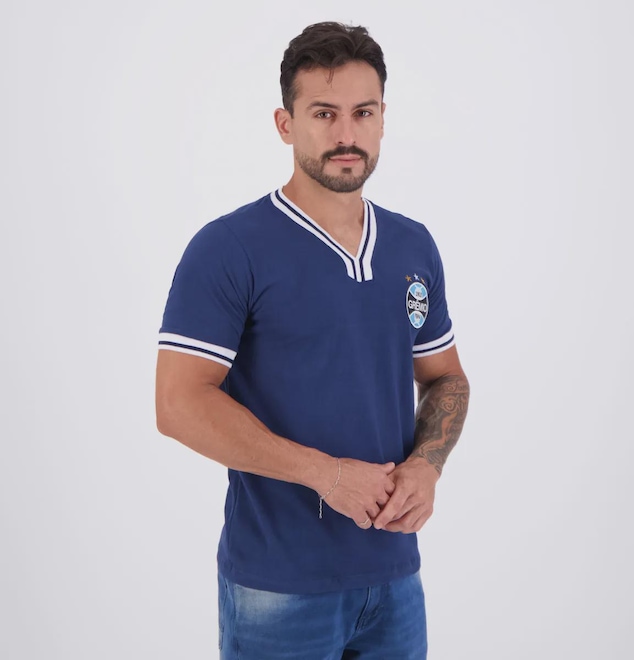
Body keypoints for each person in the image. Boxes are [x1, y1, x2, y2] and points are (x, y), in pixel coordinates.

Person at [156, 21, 470, 659]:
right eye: (324, 113)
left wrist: (427, 464)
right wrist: (326, 475)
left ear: (383, 120)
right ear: (285, 123)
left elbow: (446, 377)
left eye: (363, 112)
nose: (346, 134)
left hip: (395, 577)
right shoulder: (229, 248)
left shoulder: (413, 245)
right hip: (278, 587)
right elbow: (178, 404)